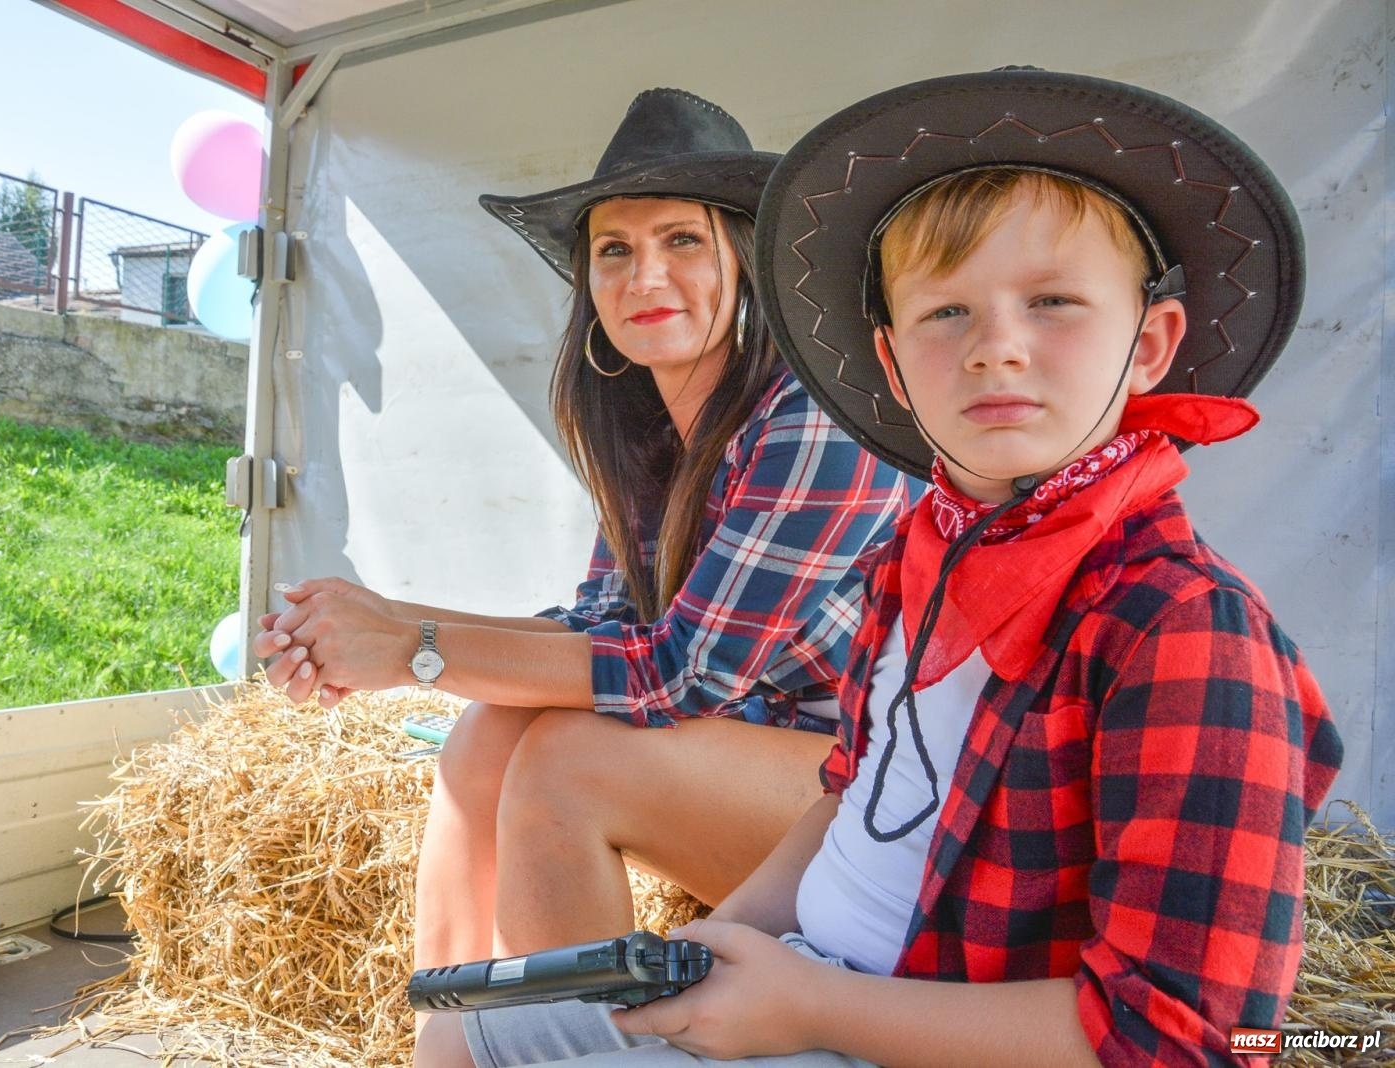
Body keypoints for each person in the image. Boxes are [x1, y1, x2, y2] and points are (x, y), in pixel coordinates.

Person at [417, 68, 1344, 1068]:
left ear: (1151, 343)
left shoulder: (1182, 626)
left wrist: (812, 1009)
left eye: (1053, 302)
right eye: (945, 313)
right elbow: (850, 793)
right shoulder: (918, 559)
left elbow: (1197, 1036)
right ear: (892, 363)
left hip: (916, 1021)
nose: (995, 348)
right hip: (813, 963)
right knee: (459, 1042)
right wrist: (716, 946)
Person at [253, 88, 912, 969]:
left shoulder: (812, 418)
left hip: (889, 811)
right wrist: (373, 619)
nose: (645, 277)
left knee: (568, 759)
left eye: (682, 240)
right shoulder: (651, 439)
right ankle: (449, 1026)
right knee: (491, 727)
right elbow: (598, 630)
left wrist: (410, 648)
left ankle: (569, 1033)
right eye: (615, 250)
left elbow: (679, 673)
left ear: (747, 261)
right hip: (775, 779)